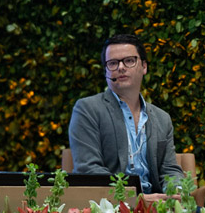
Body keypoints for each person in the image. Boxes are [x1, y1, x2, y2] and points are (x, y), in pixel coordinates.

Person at [68, 34, 185, 202]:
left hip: (158, 205)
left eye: (129, 60)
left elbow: (170, 170)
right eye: (113, 63)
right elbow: (89, 170)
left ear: (144, 67)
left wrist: (177, 192)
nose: (121, 67)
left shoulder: (162, 118)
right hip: (111, 207)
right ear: (106, 71)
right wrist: (135, 199)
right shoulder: (87, 109)